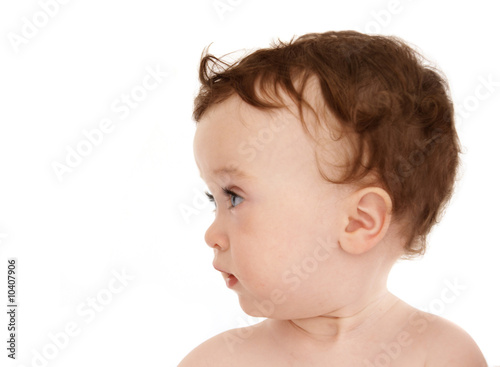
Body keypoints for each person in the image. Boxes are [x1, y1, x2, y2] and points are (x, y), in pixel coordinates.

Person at [179, 30, 487, 366]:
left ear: (359, 221)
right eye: (214, 199)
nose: (211, 236)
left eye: (234, 198)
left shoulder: (446, 356)